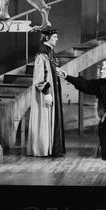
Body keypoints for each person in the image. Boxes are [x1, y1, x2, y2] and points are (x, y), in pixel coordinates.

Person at [27, 29, 66, 157]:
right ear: (47, 38)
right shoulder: (42, 55)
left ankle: (54, 148)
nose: (57, 39)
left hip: (54, 89)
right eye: (54, 36)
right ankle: (44, 148)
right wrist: (46, 92)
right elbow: (39, 77)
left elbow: (51, 70)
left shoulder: (50, 53)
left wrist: (59, 71)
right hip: (46, 92)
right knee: (45, 118)